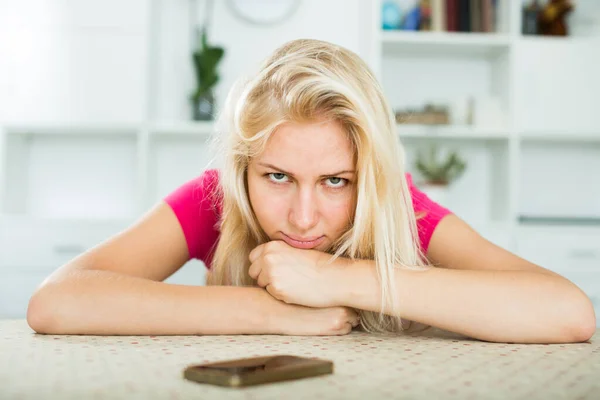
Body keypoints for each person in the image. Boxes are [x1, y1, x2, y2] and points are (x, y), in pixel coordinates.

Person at [27, 39, 595, 343]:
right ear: (242, 171)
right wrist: (267, 312)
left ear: (366, 176)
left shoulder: (396, 205)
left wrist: (336, 279)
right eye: (276, 177)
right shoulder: (218, 198)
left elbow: (568, 313)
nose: (303, 217)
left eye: (335, 182)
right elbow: (57, 301)